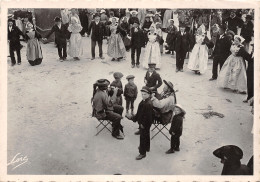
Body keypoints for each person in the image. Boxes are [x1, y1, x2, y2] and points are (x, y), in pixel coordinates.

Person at [134, 86, 154, 160]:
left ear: (149, 94)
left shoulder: (148, 103)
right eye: (142, 94)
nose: (143, 96)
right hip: (145, 123)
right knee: (146, 135)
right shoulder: (144, 101)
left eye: (145, 94)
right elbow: (140, 112)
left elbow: (147, 116)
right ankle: (147, 147)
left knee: (142, 137)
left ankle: (142, 153)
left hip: (144, 123)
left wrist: (142, 124)